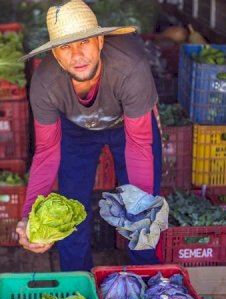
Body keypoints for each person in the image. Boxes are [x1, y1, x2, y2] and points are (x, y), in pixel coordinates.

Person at [16, 0, 163, 271]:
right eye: (65, 47)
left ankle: (148, 275)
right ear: (56, 56)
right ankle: (77, 280)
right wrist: (29, 217)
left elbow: (140, 145)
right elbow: (47, 152)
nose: (76, 55)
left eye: (84, 42)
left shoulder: (130, 69)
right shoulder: (45, 84)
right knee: (70, 207)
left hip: (128, 129)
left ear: (100, 41)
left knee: (142, 208)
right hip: (75, 130)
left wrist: (140, 206)